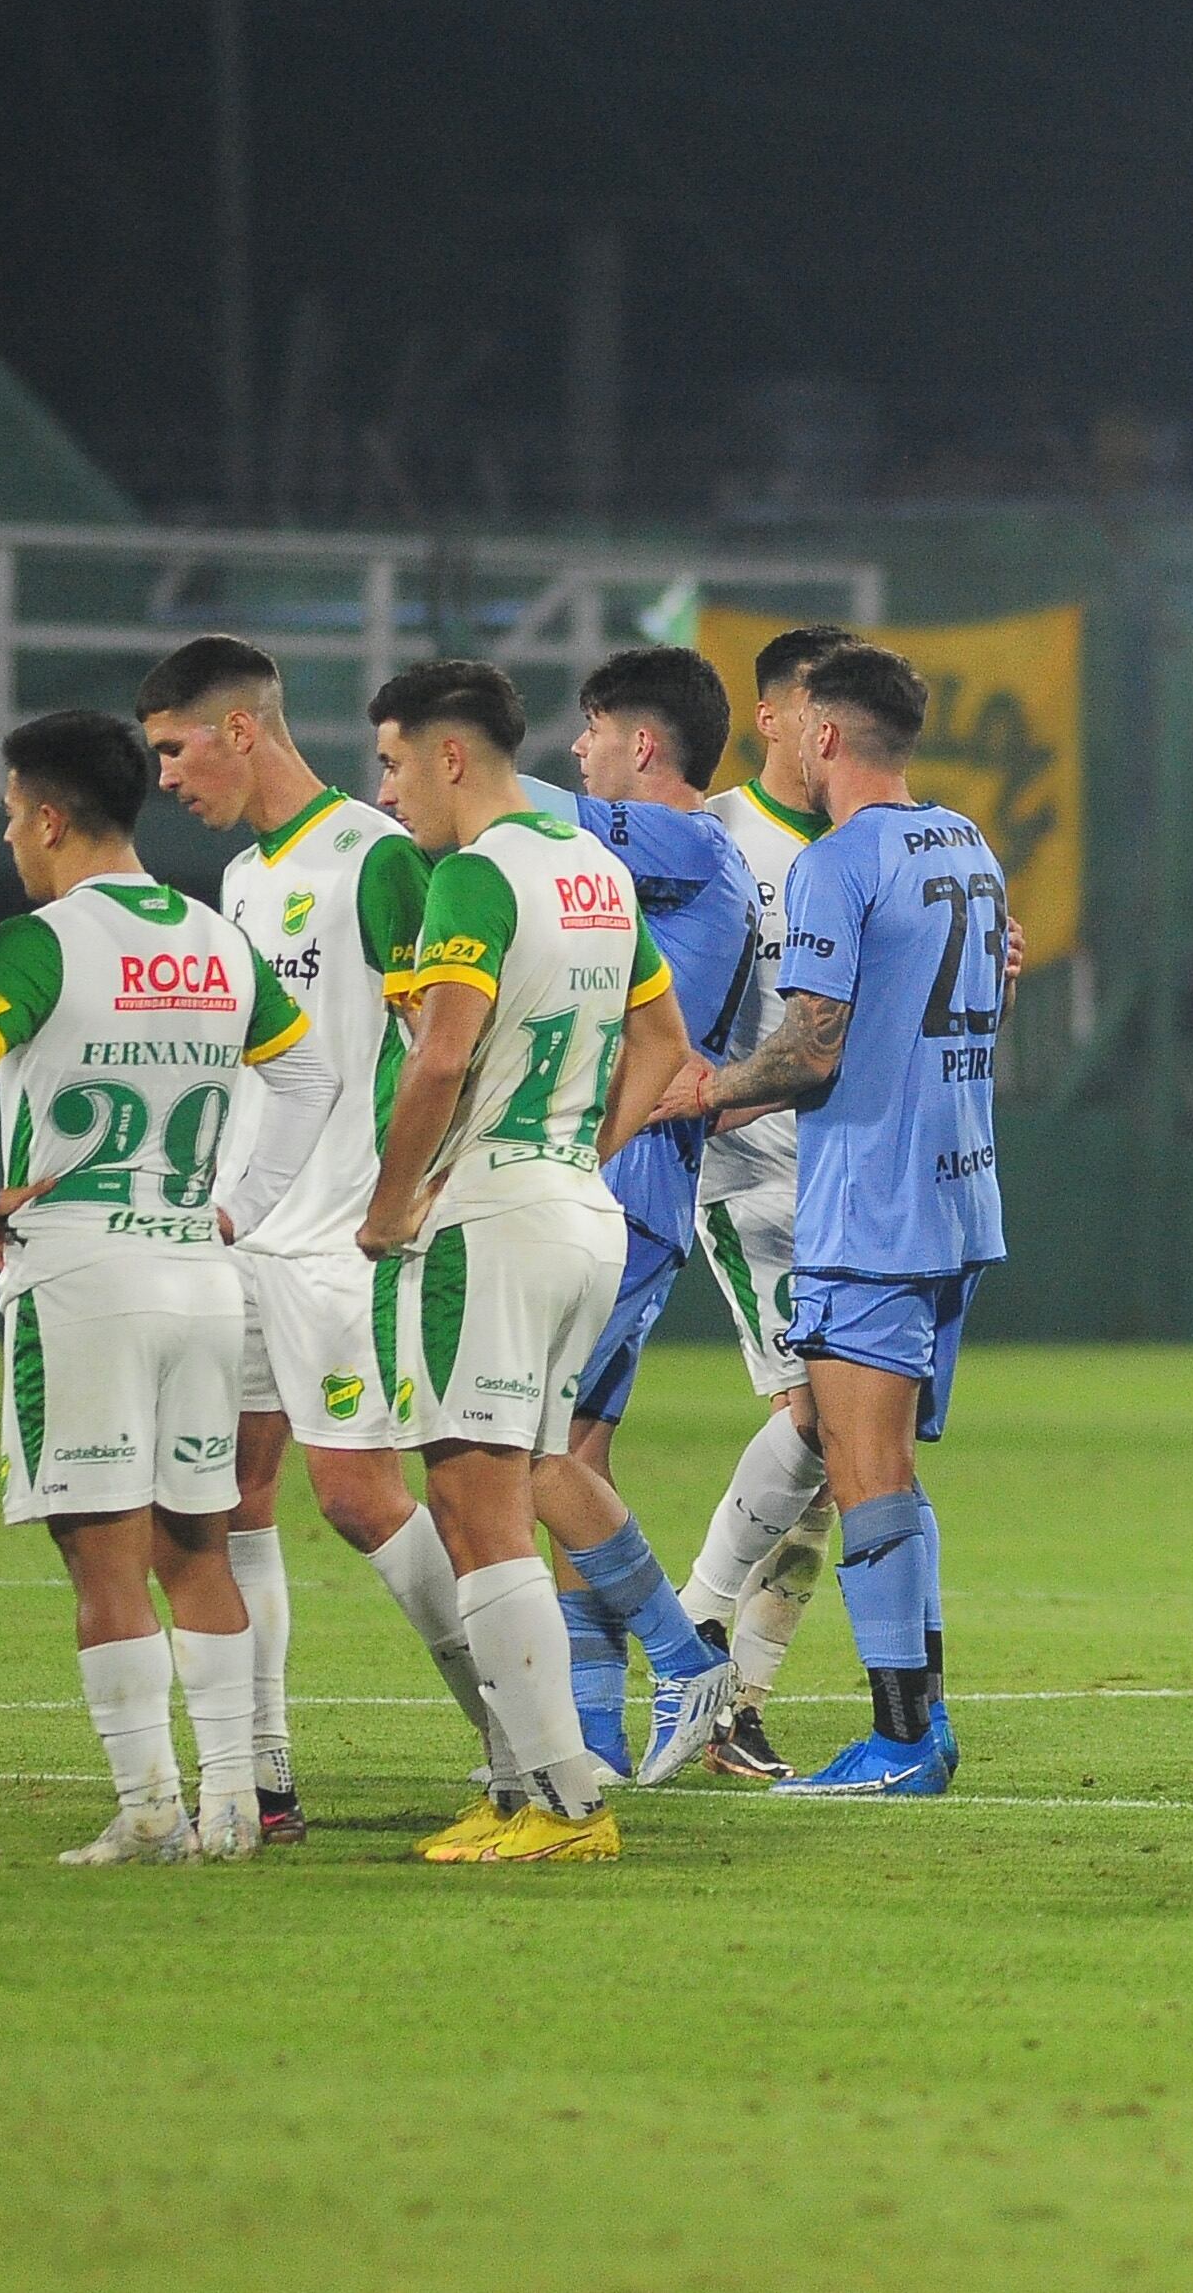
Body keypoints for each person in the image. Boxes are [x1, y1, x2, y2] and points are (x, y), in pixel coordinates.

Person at [0, 709, 337, 1865]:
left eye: (15, 811)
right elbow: (307, 1069)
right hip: (198, 1268)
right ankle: (227, 1805)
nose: (13, 833)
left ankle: (152, 1804)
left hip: (82, 1274)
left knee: (101, 1551)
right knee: (197, 1546)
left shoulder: (40, 941)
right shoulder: (214, 938)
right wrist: (242, 1206)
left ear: (50, 815)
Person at [140, 632, 500, 1846]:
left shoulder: (377, 857)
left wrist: (407, 1196)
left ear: (241, 728)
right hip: (246, 1231)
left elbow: (445, 1041)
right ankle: (261, 1777)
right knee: (225, 1490)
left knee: (355, 1495)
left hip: (343, 1240)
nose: (168, 778)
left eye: (177, 748)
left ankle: (520, 1743)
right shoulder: (241, 881)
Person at [649, 637, 1002, 1797]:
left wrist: (706, 1085)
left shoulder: (837, 861)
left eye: (803, 722)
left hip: (867, 1196)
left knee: (863, 1469)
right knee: (873, 1463)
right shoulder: (968, 843)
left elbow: (812, 1046)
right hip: (958, 1191)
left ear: (828, 736)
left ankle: (901, 1738)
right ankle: (915, 1727)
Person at [359, 659, 693, 1863]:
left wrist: (392, 1204)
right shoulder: (592, 868)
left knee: (474, 1504)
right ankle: (524, 1791)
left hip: (491, 1219)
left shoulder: (474, 876)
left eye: (394, 764)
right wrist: (581, 1152)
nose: (387, 792)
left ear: (452, 756)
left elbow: (438, 1058)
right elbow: (663, 1039)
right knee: (498, 1490)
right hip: (574, 1211)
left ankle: (561, 1800)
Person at [516, 645, 759, 1785]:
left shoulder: (692, 839)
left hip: (618, 1188)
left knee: (519, 1448)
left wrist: (428, 771)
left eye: (595, 727)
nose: (580, 747)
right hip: (632, 1189)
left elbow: (527, 808)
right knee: (572, 1459)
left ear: (643, 745)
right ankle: (592, 1742)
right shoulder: (670, 869)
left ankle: (682, 1656)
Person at [674, 622, 853, 1780]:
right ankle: (690, 1626)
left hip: (851, 1177)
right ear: (776, 716)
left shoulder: (871, 841)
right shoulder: (713, 837)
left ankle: (735, 1702)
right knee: (822, 1416)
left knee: (839, 1464)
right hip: (746, 1174)